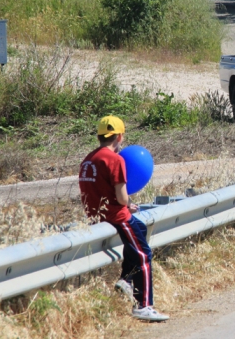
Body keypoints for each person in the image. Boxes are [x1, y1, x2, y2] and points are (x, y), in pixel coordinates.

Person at [79, 115, 169, 322]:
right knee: (144, 255)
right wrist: (128, 203)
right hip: (117, 216)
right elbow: (121, 197)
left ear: (100, 136)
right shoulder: (116, 160)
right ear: (119, 137)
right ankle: (144, 305)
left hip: (96, 217)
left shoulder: (88, 160)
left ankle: (126, 279)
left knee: (141, 229)